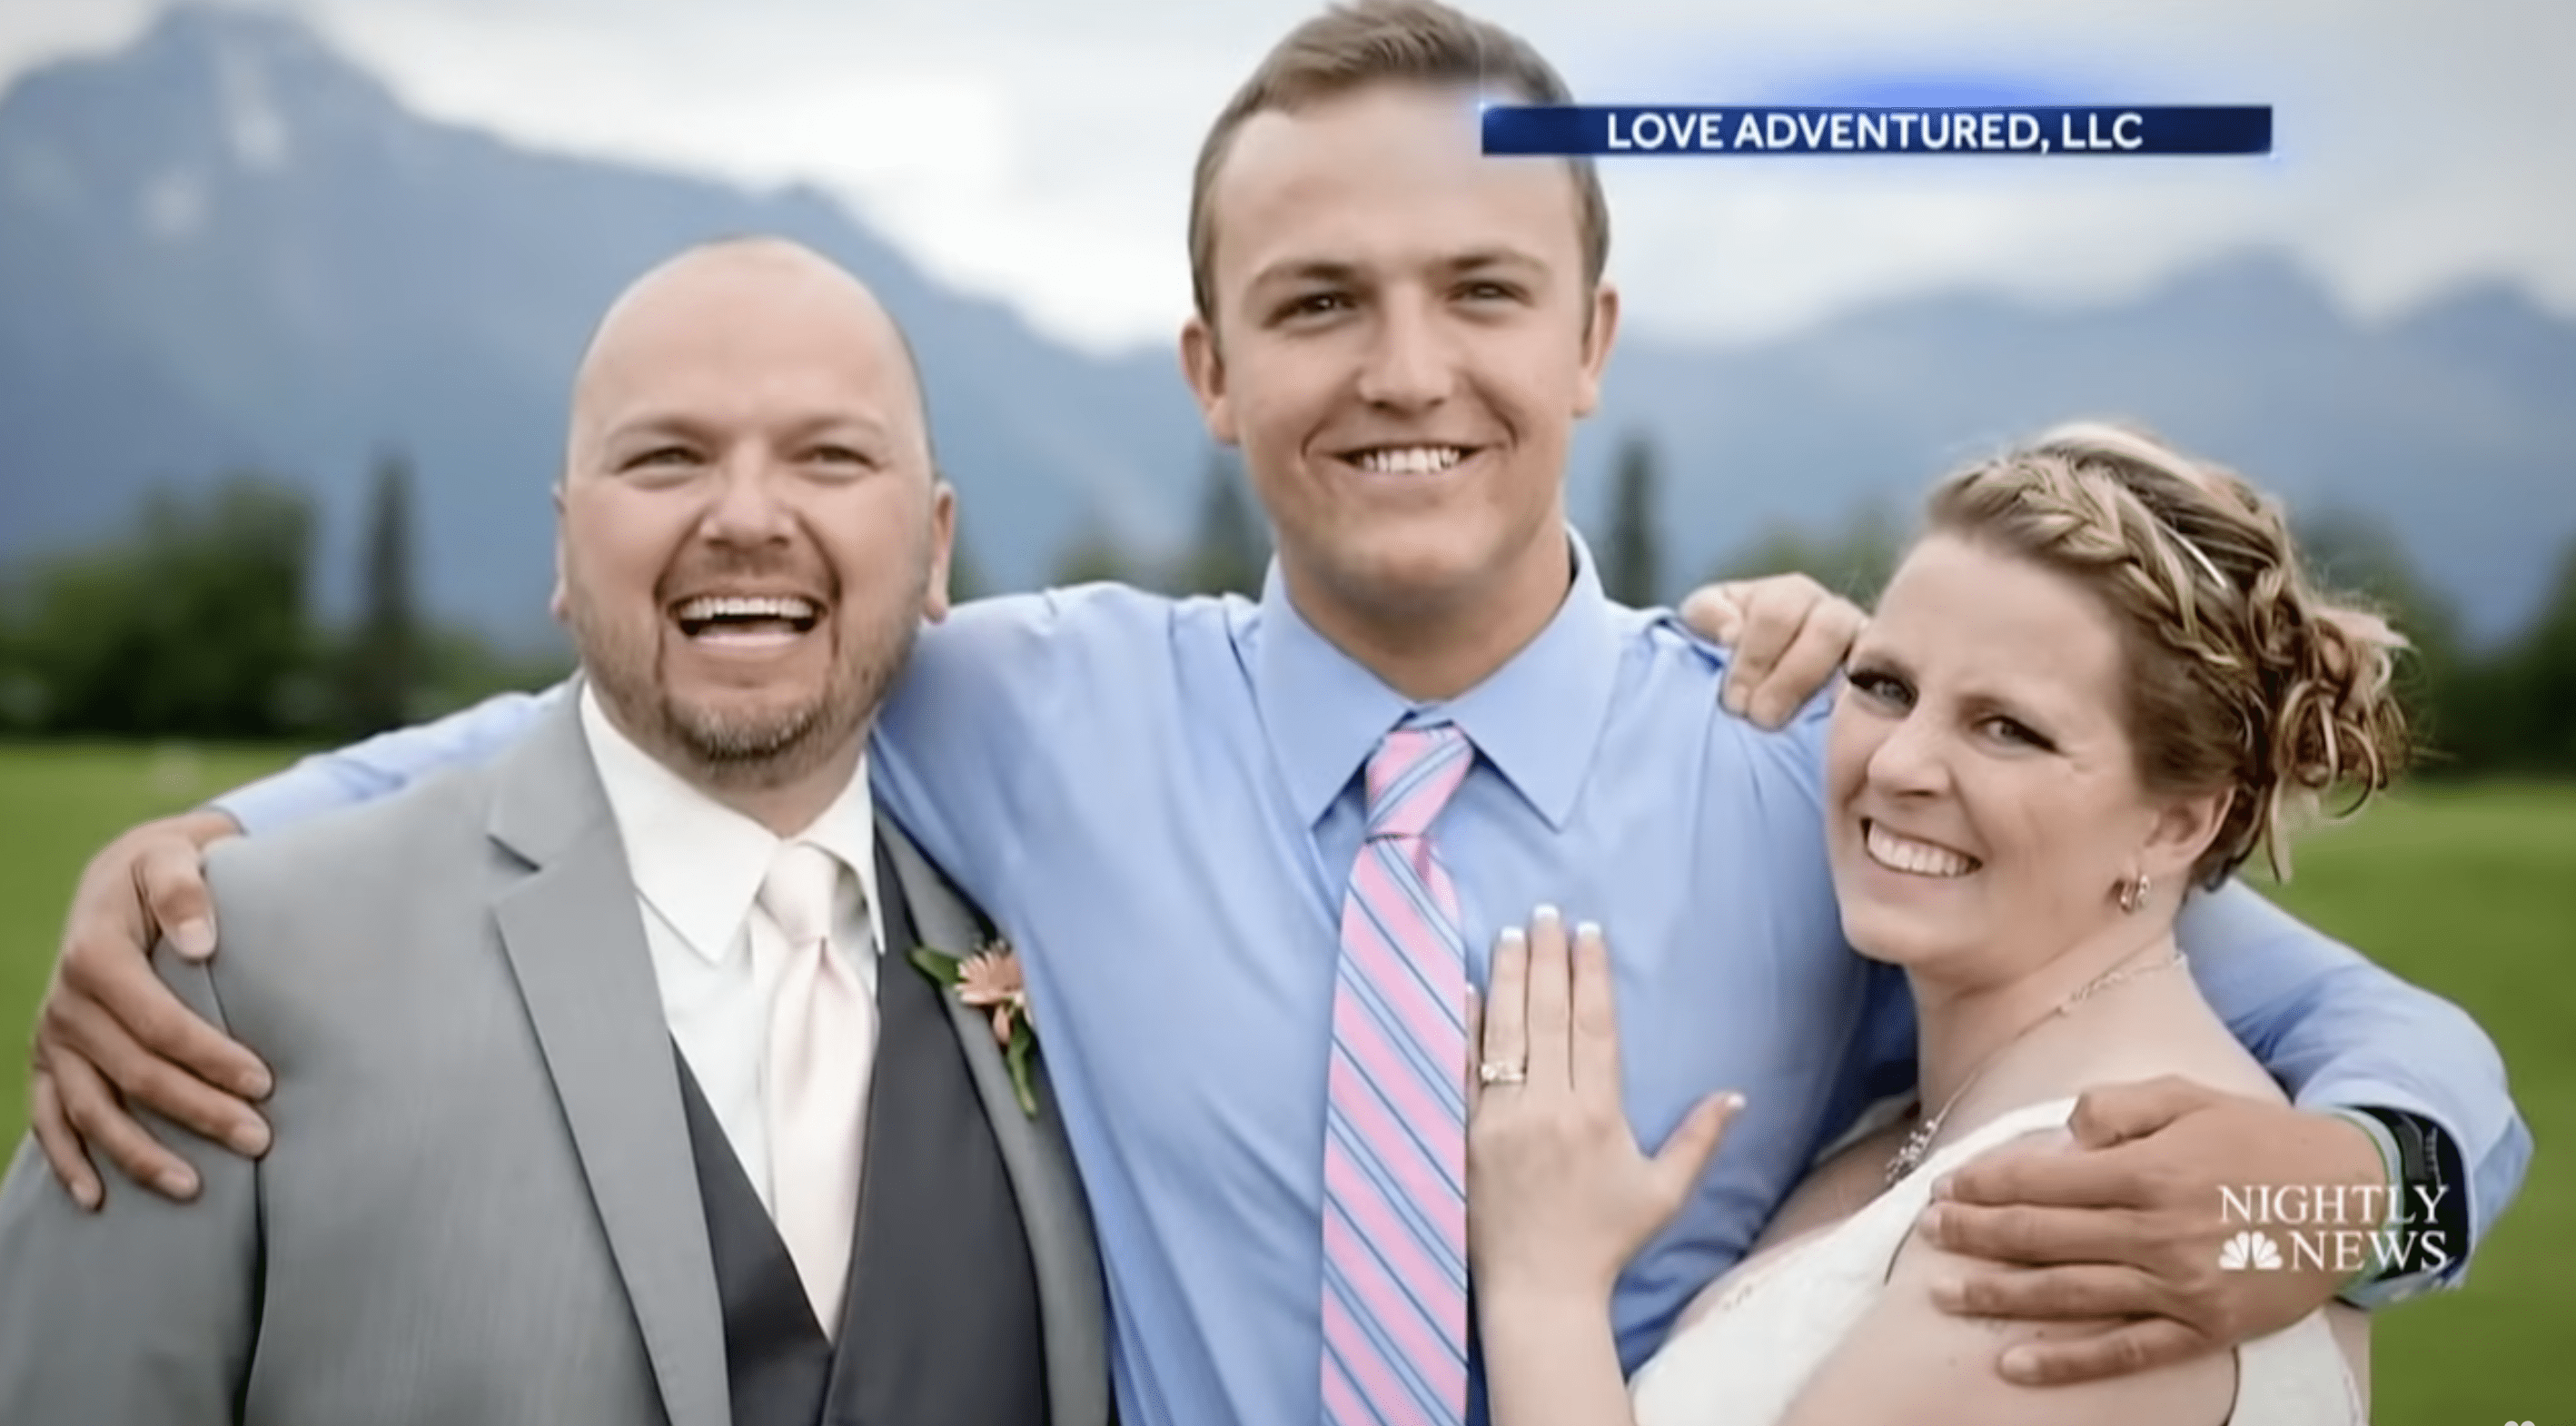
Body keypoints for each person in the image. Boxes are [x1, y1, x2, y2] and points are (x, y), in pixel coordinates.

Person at [19, 5, 2529, 1425]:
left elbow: (2305, 1007)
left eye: (1477, 288)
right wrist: (210, 848)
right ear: (1213, 372)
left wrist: (2339, 1200)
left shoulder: (1820, 760)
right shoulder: (1033, 714)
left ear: (1592, 345)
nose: (1403, 367)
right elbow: (661, 707)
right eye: (1317, 302)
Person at [0, 239, 1112, 1426]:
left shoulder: (1062, 952)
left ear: (935, 542)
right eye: (667, 457)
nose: (744, 515)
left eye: (831, 455)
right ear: (564, 544)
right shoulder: (226, 974)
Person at [1468, 426, 2406, 1424]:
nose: (1897, 763)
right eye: (1885, 685)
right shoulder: (1913, 1119)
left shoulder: (2098, 1213)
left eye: (2008, 727)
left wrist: (1543, 1284)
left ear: (2177, 821)